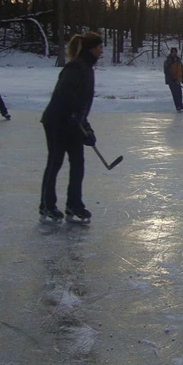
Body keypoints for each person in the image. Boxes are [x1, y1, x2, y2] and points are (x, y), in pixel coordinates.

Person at [38, 32, 103, 223]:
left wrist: (86, 128)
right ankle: (46, 205)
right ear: (91, 49)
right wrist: (75, 115)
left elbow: (81, 105)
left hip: (72, 123)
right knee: (55, 162)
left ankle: (74, 204)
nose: (101, 52)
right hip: (57, 122)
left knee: (78, 164)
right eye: (99, 47)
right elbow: (65, 92)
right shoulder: (76, 67)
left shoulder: (87, 68)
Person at [163, 47, 183, 112]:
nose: (174, 53)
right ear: (171, 53)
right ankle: (178, 106)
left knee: (179, 93)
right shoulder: (168, 61)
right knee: (175, 93)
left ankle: (181, 105)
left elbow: (180, 69)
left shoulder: (178, 60)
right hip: (171, 80)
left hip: (178, 79)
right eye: (173, 52)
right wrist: (172, 78)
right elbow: (166, 71)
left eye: (175, 52)